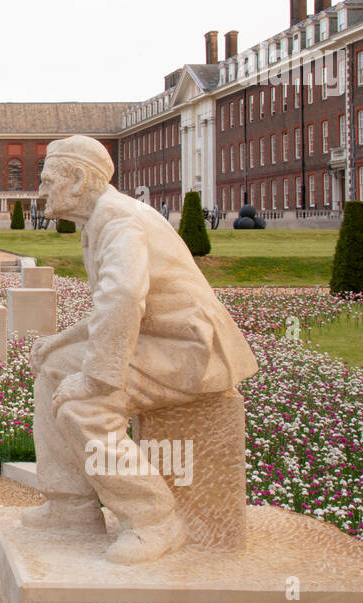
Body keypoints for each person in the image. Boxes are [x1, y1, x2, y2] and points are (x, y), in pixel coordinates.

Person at [24, 135, 258, 564]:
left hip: (190, 350)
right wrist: (59, 344)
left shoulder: (119, 221)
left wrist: (95, 377)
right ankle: (71, 506)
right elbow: (114, 306)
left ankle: (154, 519)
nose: (40, 192)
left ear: (76, 179)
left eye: (46, 181)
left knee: (85, 406)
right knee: (53, 369)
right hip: (162, 340)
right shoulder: (103, 218)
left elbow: (125, 297)